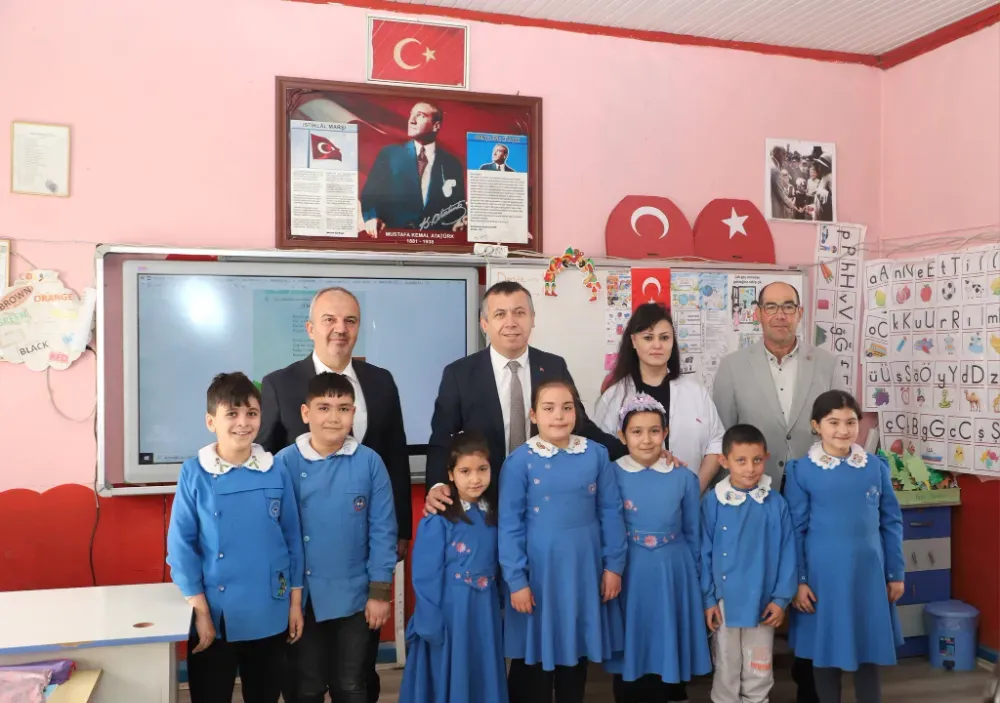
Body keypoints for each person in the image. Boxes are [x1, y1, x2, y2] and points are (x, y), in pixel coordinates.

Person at [258, 286, 410, 703]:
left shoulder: (380, 381)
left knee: (357, 673)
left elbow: (395, 455)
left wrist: (401, 530)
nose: (340, 329)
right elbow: (264, 461)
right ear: (311, 328)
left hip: (361, 548)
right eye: (329, 320)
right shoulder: (280, 383)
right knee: (304, 677)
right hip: (304, 559)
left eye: (349, 321)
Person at [712, 281, 843, 703]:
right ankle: (741, 680)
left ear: (800, 313)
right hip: (753, 490)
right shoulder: (733, 367)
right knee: (762, 576)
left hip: (813, 491)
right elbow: (724, 434)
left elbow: (837, 426)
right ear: (758, 313)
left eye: (788, 306)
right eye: (771, 306)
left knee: (811, 576)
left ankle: (810, 679)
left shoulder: (826, 363)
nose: (780, 314)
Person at [426, 280, 625, 512]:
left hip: (546, 495)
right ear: (484, 324)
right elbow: (442, 436)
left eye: (519, 313)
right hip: (483, 498)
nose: (511, 322)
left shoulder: (553, 367)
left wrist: (632, 452)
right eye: (500, 314)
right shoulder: (459, 374)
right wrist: (437, 483)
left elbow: (580, 426)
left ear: (532, 318)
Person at [166, 372, 304, 703]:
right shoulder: (195, 472)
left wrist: (295, 604)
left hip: (270, 607)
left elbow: (292, 540)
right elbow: (181, 547)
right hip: (215, 612)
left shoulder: (275, 468)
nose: (243, 423)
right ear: (211, 421)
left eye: (251, 413)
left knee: (265, 694)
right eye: (232, 413)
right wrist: (201, 611)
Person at [499, 378, 627, 703]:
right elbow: (510, 525)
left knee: (575, 650)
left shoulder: (596, 455)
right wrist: (516, 580)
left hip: (583, 570)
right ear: (533, 415)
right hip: (538, 574)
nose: (558, 415)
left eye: (567, 408)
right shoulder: (519, 461)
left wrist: (614, 565)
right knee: (536, 658)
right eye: (549, 408)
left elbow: (611, 512)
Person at [273, 372, 398, 703]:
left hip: (355, 596)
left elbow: (383, 531)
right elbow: (276, 537)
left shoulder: (370, 462)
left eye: (343, 408)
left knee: (351, 684)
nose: (333, 417)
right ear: (305, 413)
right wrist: (286, 598)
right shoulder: (283, 463)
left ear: (353, 414)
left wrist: (380, 593)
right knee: (307, 686)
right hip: (303, 597)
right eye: (323, 408)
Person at [784, 390, 905, 703]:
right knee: (824, 652)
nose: (843, 429)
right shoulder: (801, 470)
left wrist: (895, 573)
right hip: (822, 578)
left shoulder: (875, 467)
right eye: (833, 422)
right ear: (816, 425)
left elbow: (891, 522)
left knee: (868, 650)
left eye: (851, 422)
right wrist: (799, 581)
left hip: (868, 574)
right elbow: (795, 530)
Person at [605, 394, 711, 703]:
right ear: (622, 435)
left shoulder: (684, 478)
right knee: (631, 643)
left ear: (665, 432)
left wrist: (697, 582)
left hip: (673, 574)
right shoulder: (610, 474)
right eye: (636, 431)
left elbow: (693, 533)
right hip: (630, 573)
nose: (646, 439)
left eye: (654, 431)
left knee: (668, 644)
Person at [399, 431, 507, 703]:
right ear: (450, 474)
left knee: (482, 670)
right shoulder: (438, 518)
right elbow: (425, 574)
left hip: (484, 611)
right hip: (451, 613)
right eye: (465, 471)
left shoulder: (495, 513)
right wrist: (430, 619)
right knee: (450, 672)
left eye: (482, 469)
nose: (475, 479)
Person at [701, 424, 797, 703]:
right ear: (724, 461)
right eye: (741, 460)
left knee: (759, 665)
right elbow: (704, 552)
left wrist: (780, 600)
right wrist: (708, 599)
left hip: (763, 601)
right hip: (724, 603)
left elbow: (788, 552)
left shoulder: (775, 503)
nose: (750, 468)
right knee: (726, 666)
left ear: (766, 458)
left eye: (756, 460)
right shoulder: (713, 502)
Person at [595, 302, 724, 492]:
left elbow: (716, 442)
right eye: (648, 337)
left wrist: (695, 489)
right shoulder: (615, 396)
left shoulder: (696, 392)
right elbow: (601, 450)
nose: (657, 345)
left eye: (664, 337)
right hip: (632, 498)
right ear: (634, 341)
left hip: (692, 498)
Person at [360, 101, 467, 234]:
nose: (412, 121)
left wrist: (459, 222)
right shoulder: (389, 155)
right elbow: (370, 195)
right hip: (395, 238)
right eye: (411, 114)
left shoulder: (452, 163)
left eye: (420, 115)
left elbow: (457, 207)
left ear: (436, 126)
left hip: (435, 241)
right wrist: (371, 217)